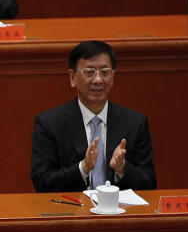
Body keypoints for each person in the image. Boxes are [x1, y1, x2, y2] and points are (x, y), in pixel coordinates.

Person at [30, 41, 157, 193]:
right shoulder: (49, 123)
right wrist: (82, 168)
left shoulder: (135, 122)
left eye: (104, 72)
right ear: (72, 78)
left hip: (120, 213)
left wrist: (122, 169)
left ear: (113, 77)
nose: (98, 80)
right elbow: (42, 183)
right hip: (72, 212)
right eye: (90, 72)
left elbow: (149, 182)